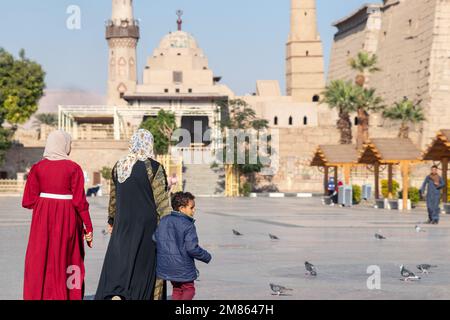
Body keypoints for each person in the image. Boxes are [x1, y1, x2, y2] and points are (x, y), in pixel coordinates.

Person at [95, 129, 172, 300]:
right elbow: (162, 202)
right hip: (147, 227)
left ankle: (118, 293)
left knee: (123, 260)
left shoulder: (119, 166)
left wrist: (112, 219)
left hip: (123, 223)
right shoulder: (154, 167)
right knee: (143, 264)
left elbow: (113, 199)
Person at [22, 130, 93, 300]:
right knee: (69, 256)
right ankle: (69, 294)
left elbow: (27, 201)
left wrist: (46, 201)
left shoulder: (37, 168)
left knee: (41, 257)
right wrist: (88, 226)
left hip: (42, 220)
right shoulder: (74, 168)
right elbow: (79, 202)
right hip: (68, 217)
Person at [154, 192, 212, 300]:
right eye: (192, 208)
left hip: (167, 266)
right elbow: (192, 248)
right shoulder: (188, 225)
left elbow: (155, 238)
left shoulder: (164, 220)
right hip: (183, 267)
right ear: (181, 208)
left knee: (177, 289)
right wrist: (206, 256)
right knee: (189, 289)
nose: (194, 210)